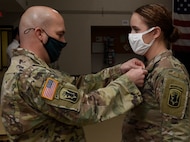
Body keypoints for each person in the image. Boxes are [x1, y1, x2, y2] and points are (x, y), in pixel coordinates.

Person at [1, 6, 147, 142]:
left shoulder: (27, 68)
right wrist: (127, 83)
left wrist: (118, 71)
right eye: (60, 34)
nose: (64, 41)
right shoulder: (33, 75)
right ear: (40, 34)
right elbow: (83, 109)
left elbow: (74, 85)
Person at [121, 3, 190, 142]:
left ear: (155, 32)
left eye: (136, 29)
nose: (131, 35)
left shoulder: (170, 72)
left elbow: (177, 133)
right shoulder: (152, 67)